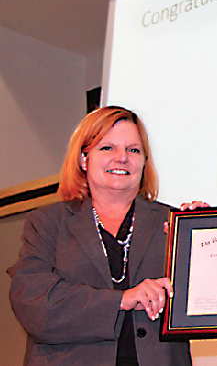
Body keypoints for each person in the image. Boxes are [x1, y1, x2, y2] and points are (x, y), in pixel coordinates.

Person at [8, 106, 192, 366]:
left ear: (144, 163)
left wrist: (200, 234)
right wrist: (122, 300)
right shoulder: (48, 223)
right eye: (107, 148)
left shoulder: (172, 223)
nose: (122, 158)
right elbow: (34, 304)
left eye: (134, 150)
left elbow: (205, 299)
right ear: (84, 159)